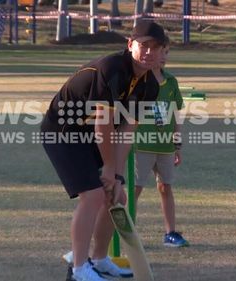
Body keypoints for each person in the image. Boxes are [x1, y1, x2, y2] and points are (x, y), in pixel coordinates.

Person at [40, 21, 167, 281]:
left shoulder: (150, 86)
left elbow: (126, 131)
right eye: (143, 45)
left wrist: (117, 177)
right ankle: (78, 269)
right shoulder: (111, 68)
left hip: (92, 136)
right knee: (94, 195)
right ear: (130, 45)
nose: (149, 52)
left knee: (116, 197)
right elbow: (103, 122)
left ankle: (98, 260)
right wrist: (108, 169)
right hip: (63, 131)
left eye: (156, 48)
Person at [134, 37, 189, 247]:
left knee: (166, 187)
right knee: (135, 190)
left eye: (166, 53)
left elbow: (176, 115)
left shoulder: (171, 82)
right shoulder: (139, 82)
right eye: (161, 52)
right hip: (142, 146)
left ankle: (171, 233)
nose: (164, 57)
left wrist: (177, 145)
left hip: (165, 147)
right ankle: (128, 233)